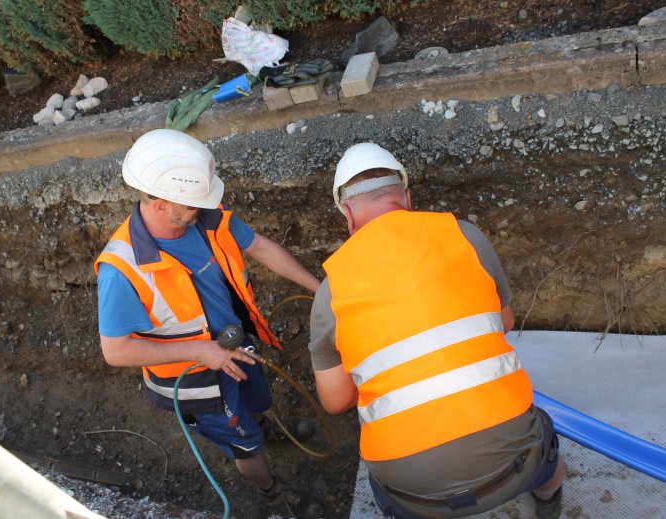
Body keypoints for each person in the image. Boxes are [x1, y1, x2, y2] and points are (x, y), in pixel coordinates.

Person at [308, 143, 565, 519]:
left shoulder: (330, 292)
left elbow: (335, 402)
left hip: (415, 496)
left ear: (346, 213)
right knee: (545, 442)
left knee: (392, 491)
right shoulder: (465, 236)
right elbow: (505, 321)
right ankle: (548, 499)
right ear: (406, 197)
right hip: (515, 463)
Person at [95, 129, 320, 499]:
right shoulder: (122, 268)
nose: (202, 208)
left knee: (257, 404)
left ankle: (265, 428)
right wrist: (202, 352)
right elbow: (115, 350)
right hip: (195, 381)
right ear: (161, 204)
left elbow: (261, 247)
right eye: (192, 203)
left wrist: (319, 289)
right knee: (243, 443)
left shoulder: (208, 221)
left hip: (235, 345)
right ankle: (273, 489)